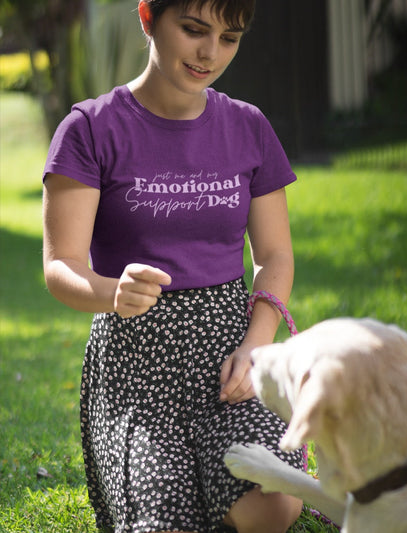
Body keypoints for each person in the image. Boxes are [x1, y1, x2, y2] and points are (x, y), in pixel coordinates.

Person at [42, 1, 305, 532]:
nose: (210, 53)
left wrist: (257, 345)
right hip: (138, 368)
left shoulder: (248, 127)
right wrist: (112, 291)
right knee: (164, 524)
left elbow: (274, 255)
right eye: (193, 30)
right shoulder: (90, 128)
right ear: (147, 17)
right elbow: (61, 265)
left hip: (230, 360)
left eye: (229, 38)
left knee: (273, 501)